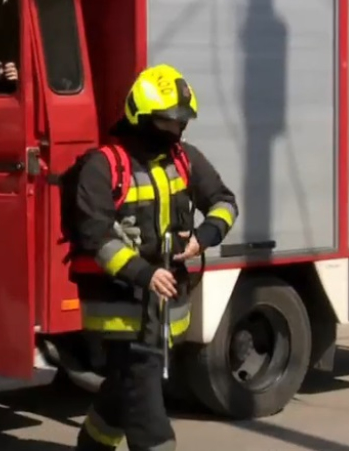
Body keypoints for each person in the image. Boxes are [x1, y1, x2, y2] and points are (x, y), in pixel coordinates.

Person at [70, 64, 239, 451]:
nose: (177, 131)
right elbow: (95, 237)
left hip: (163, 310)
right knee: (146, 404)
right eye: (168, 122)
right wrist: (144, 273)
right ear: (140, 117)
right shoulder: (102, 167)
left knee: (122, 390)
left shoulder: (185, 159)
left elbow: (224, 203)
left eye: (182, 123)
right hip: (119, 309)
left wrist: (202, 237)